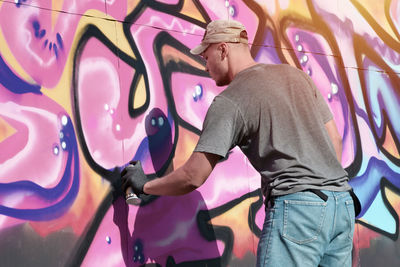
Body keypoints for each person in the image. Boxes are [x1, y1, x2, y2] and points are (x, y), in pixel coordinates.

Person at [122, 19, 359, 266]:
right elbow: (334, 139)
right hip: (341, 205)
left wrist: (145, 185)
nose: (205, 67)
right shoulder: (296, 77)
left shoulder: (231, 99)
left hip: (298, 211)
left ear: (223, 49)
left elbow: (194, 175)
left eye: (206, 56)